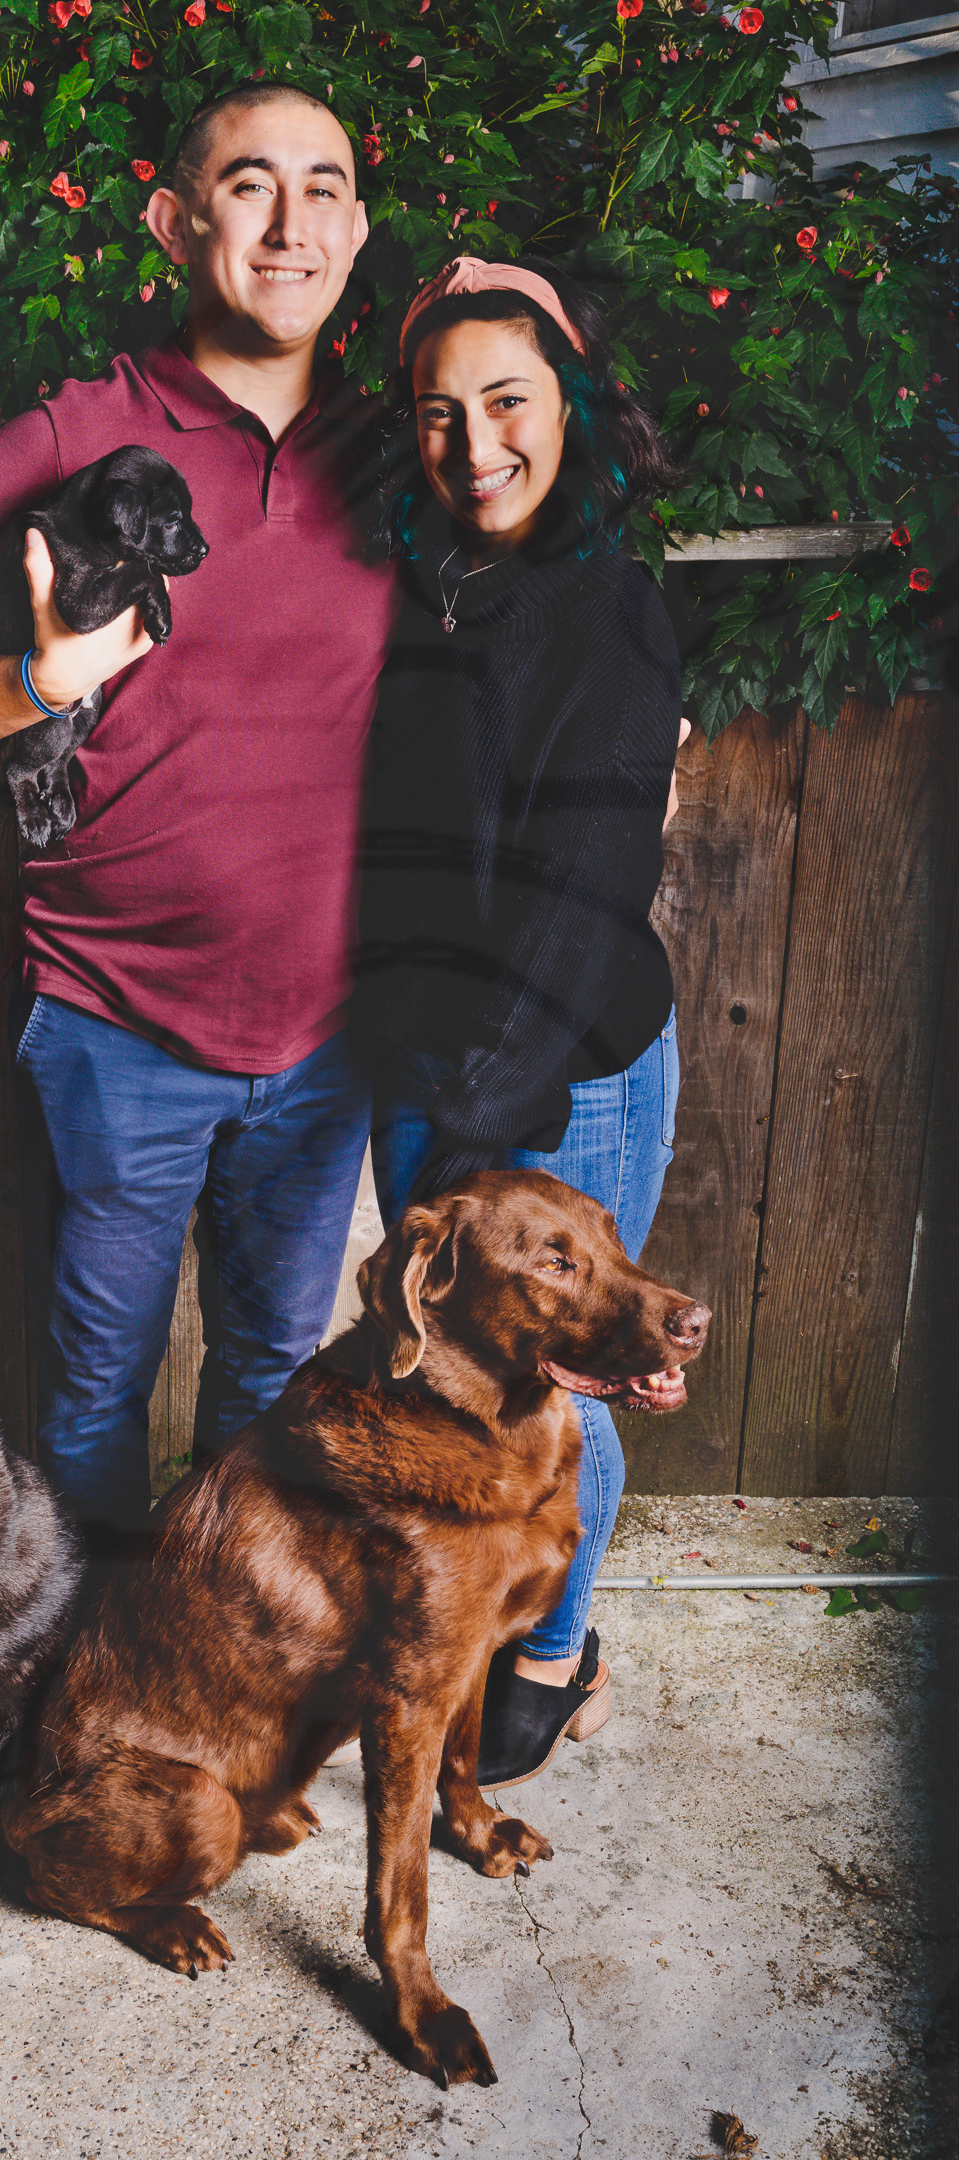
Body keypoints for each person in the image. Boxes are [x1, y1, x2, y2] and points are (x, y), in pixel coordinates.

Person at [0, 87, 395, 1533]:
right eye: (250, 185)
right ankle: (92, 1653)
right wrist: (38, 680)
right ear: (175, 222)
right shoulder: (68, 438)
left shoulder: (402, 453)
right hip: (115, 1019)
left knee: (274, 1384)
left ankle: (216, 1646)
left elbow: (547, 530)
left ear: (358, 229)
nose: (289, 224)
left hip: (331, 1029)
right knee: (94, 1390)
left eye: (323, 187)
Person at [352, 256, 687, 1789]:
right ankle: (484, 1620)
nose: (474, 444)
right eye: (440, 411)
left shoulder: (606, 607)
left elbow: (581, 892)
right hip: (423, 1047)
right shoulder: (423, 575)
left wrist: (477, 1131)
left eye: (508, 402)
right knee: (450, 1372)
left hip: (562, 1068)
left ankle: (557, 1653)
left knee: (560, 1374)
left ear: (571, 407)